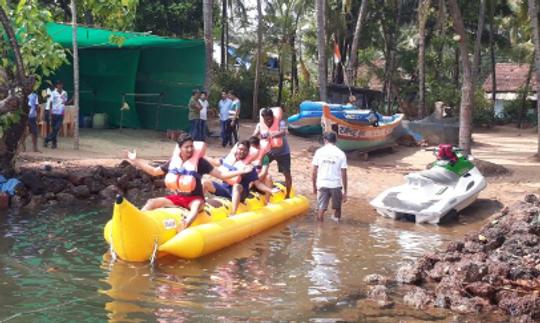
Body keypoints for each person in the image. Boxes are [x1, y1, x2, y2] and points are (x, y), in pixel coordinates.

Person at [124, 133, 252, 230]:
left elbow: (222, 175)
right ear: (180, 148)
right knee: (151, 202)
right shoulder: (174, 162)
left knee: (195, 209)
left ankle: (182, 229)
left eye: (192, 146)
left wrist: (241, 171)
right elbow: (154, 171)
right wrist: (136, 160)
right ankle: (137, 222)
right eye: (187, 147)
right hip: (178, 197)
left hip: (196, 199)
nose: (190, 149)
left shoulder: (200, 162)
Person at [203, 140, 272, 215]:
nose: (242, 151)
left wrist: (269, 190)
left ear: (248, 152)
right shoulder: (229, 159)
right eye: (240, 149)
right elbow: (215, 162)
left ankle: (233, 213)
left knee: (236, 186)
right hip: (225, 189)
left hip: (240, 193)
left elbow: (258, 184)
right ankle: (201, 205)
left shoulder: (248, 168)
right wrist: (202, 157)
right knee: (205, 182)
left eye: (245, 150)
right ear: (237, 149)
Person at [253, 107, 292, 199]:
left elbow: (284, 132)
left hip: (283, 152)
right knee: (259, 167)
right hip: (269, 152)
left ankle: (288, 194)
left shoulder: (280, 122)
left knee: (287, 173)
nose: (267, 122)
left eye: (269, 119)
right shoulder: (260, 125)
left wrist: (270, 134)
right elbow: (254, 134)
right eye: (265, 120)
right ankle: (258, 187)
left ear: (273, 117)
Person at [311, 132, 348, 222]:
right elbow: (344, 173)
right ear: (335, 141)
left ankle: (320, 231)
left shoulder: (319, 152)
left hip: (322, 184)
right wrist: (345, 191)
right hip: (335, 185)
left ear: (325, 140)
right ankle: (336, 228)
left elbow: (313, 171)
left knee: (321, 209)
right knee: (337, 208)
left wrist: (314, 187)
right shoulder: (341, 153)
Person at [44, 81, 67, 149]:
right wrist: (50, 113)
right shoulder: (53, 93)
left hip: (61, 113)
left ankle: (47, 139)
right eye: (58, 85)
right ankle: (54, 144)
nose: (60, 86)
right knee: (54, 129)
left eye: (61, 85)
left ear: (62, 85)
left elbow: (64, 102)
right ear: (56, 85)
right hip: (54, 113)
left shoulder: (64, 93)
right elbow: (50, 103)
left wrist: (72, 99)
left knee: (57, 128)